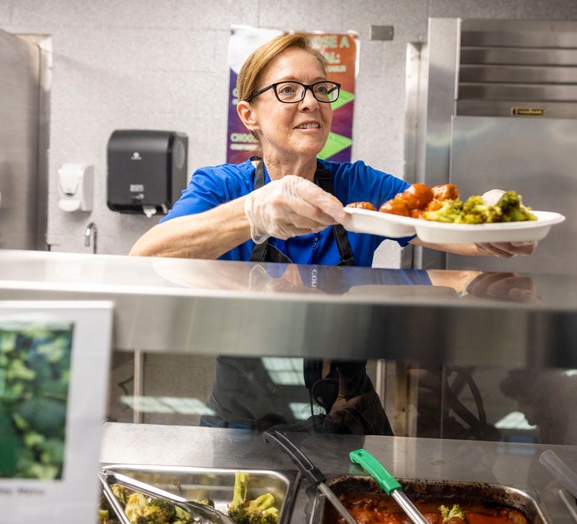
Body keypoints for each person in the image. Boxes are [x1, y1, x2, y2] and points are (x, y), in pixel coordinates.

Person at [130, 33, 537, 434]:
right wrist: (252, 213)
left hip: (349, 410)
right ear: (248, 114)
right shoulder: (221, 188)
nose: (311, 101)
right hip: (244, 413)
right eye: (289, 89)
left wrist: (493, 224)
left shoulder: (359, 185)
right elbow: (144, 259)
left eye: (320, 89)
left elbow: (432, 224)